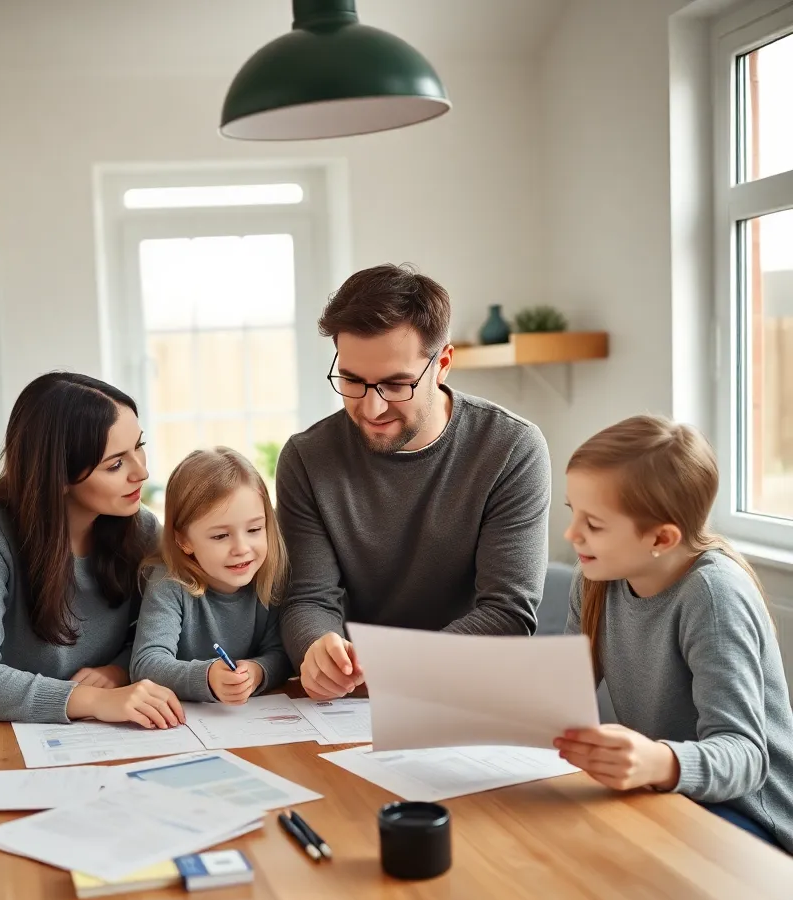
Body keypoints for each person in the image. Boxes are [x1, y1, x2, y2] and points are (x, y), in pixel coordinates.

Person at [0, 372, 186, 841]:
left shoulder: (138, 529)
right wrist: (94, 699)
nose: (141, 472)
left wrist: (118, 670)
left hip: (67, 749)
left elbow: (168, 626)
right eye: (116, 463)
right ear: (58, 474)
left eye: (139, 446)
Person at [277, 263, 551, 700]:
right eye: (351, 381)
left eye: (396, 384)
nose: (370, 408)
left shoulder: (511, 448)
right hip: (353, 699)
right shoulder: (307, 458)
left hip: (469, 692)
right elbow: (308, 599)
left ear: (442, 364)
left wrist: (393, 667)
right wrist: (315, 649)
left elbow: (507, 614)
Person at [554, 415, 793, 853]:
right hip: (667, 797)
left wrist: (658, 761)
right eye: (574, 514)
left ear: (662, 538)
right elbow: (560, 699)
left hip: (753, 818)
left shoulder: (713, 595)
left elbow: (745, 757)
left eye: (595, 524)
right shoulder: (594, 576)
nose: (571, 535)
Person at [130, 447, 289, 704]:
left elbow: (281, 653)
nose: (242, 548)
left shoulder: (268, 577)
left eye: (255, 529)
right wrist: (207, 677)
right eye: (220, 536)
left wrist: (258, 672)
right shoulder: (168, 584)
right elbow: (146, 664)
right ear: (183, 540)